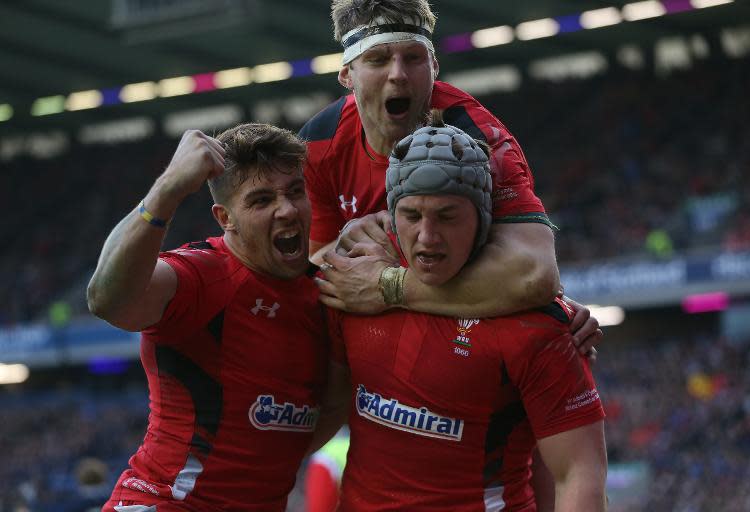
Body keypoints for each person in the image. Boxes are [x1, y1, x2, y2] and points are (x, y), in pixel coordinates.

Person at [319, 118, 608, 511]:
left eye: (448, 216)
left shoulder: (540, 326)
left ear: (483, 220)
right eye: (412, 215)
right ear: (389, 215)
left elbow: (578, 473)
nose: (427, 236)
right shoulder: (353, 289)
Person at [300, 0, 602, 356]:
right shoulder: (317, 144)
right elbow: (313, 264)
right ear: (346, 75)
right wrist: (344, 245)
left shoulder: (480, 139)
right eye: (378, 60)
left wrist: (390, 285)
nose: (398, 74)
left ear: (434, 66)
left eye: (413, 58)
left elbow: (534, 275)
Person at [86, 124, 328, 511]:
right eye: (262, 200)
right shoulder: (203, 275)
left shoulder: (323, 294)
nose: (286, 209)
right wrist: (168, 189)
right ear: (225, 218)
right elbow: (106, 300)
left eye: (295, 192)